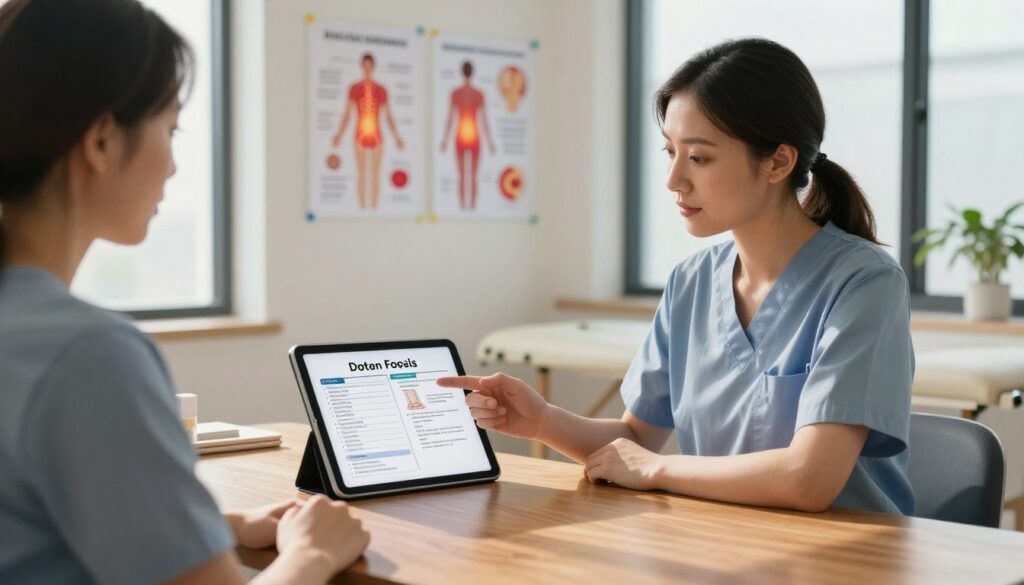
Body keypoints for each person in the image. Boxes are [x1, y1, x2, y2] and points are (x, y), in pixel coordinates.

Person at [439, 38, 915, 515]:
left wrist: (658, 469)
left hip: (849, 557)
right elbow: (635, 438)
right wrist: (541, 421)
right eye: (670, 151)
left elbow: (809, 478)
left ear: (778, 161)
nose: (674, 180)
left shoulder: (864, 283)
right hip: (723, 546)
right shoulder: (692, 281)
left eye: (700, 158)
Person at [0, 1, 368, 583]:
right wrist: (313, 552)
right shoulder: (87, 355)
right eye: (169, 129)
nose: (174, 166)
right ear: (100, 139)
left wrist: (218, 526)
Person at [331, 53, 405, 210]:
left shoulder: (381, 89)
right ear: (362, 66)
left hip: (377, 134)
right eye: (365, 65)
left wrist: (397, 137)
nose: (367, 68)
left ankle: (373, 209)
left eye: (369, 65)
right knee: (362, 174)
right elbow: (347, 114)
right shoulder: (354, 88)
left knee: (375, 174)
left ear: (373, 66)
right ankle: (363, 208)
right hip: (359, 133)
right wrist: (339, 134)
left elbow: (388, 115)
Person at [439, 60, 496, 210]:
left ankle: (466, 207)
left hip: (462, 135)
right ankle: (469, 208)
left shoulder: (456, 93)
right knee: (472, 176)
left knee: (463, 175)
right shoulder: (478, 94)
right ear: (472, 73)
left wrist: (445, 140)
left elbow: (450, 119)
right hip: (473, 135)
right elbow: (484, 121)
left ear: (462, 72)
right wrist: (490, 142)